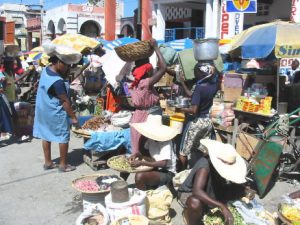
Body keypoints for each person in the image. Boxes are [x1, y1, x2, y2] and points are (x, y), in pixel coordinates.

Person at [33, 42, 82, 172]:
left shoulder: (46, 70)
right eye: (66, 65)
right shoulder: (58, 82)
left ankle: (48, 162)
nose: (68, 67)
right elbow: (65, 101)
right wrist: (73, 118)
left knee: (46, 135)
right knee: (63, 137)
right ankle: (63, 165)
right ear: (58, 62)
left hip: (43, 109)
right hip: (55, 111)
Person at [178, 139, 247, 225]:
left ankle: (207, 208)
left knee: (240, 189)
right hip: (190, 193)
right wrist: (221, 206)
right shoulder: (204, 165)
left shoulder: (219, 166)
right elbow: (197, 191)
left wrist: (244, 190)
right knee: (195, 203)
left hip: (209, 189)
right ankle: (191, 220)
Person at [177, 62, 218, 169]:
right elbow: (193, 95)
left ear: (202, 74)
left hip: (197, 122)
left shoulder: (200, 87)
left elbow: (193, 110)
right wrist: (182, 82)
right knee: (203, 150)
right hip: (208, 121)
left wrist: (180, 109)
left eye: (196, 73)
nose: (195, 75)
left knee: (183, 152)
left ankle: (183, 175)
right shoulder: (213, 85)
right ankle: (202, 171)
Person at [129, 39, 167, 155]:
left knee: (139, 148)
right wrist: (156, 48)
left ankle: (139, 168)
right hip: (148, 118)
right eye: (150, 70)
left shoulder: (134, 84)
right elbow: (163, 68)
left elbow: (118, 76)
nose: (152, 72)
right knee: (148, 150)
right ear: (146, 72)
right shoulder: (146, 83)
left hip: (137, 117)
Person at [130, 114, 177, 190]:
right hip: (156, 167)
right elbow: (144, 153)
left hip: (167, 172)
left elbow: (163, 163)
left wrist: (142, 163)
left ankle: (145, 197)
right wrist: (136, 155)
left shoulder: (166, 142)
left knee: (139, 176)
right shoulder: (151, 139)